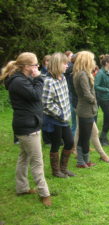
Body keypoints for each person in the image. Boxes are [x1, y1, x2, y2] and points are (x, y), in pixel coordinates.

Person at [1, 52, 51, 206]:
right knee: (37, 161)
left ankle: (22, 188)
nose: (37, 67)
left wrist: (35, 78)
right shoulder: (18, 82)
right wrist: (39, 78)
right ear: (26, 67)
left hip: (29, 123)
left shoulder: (23, 79)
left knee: (24, 158)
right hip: (28, 126)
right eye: (35, 65)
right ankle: (45, 194)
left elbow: (34, 95)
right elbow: (36, 95)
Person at [42, 53, 75, 178]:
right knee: (56, 144)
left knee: (69, 142)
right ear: (57, 64)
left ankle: (64, 168)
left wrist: (66, 113)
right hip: (53, 120)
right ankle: (56, 171)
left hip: (64, 119)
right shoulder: (48, 81)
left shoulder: (63, 78)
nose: (67, 66)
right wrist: (60, 113)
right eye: (65, 63)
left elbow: (66, 97)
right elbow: (46, 104)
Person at [73, 51, 99, 168]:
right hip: (85, 109)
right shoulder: (82, 74)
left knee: (86, 136)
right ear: (86, 61)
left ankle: (85, 160)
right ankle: (80, 161)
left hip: (86, 109)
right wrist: (94, 100)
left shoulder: (81, 73)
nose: (93, 62)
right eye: (92, 59)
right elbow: (86, 94)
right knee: (84, 136)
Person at [95, 54, 109, 146]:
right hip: (104, 99)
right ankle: (102, 137)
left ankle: (103, 138)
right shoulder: (100, 73)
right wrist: (106, 90)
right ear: (107, 63)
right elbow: (95, 86)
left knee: (107, 119)